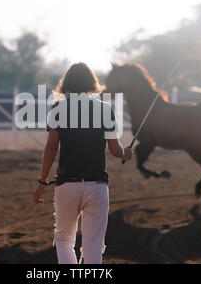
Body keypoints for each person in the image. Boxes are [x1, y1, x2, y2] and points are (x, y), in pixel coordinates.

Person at [33, 62, 132, 264]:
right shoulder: (105, 110)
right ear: (91, 84)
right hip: (97, 186)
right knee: (93, 244)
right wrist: (126, 154)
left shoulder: (59, 109)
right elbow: (115, 150)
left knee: (63, 239)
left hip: (67, 185)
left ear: (67, 83)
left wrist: (42, 182)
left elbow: (51, 149)